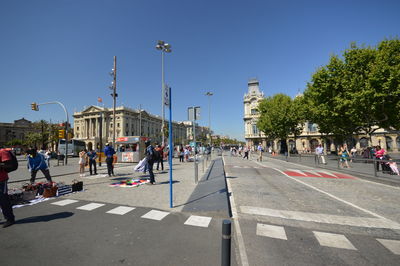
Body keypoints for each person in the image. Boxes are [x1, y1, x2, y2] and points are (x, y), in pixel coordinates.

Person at [0, 147, 16, 228]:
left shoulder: (2, 151)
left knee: (4, 200)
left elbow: (8, 164)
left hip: (1, 180)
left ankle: (10, 219)